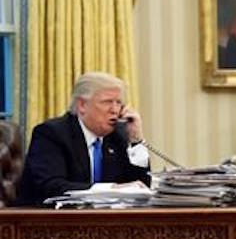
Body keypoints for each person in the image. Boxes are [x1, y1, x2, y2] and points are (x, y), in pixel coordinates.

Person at [15, 72, 151, 205]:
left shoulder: (117, 136)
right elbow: (52, 186)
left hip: (104, 221)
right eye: (107, 102)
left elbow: (141, 186)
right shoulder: (51, 133)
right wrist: (109, 189)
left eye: (119, 103)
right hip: (46, 220)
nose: (115, 110)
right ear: (82, 105)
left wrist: (136, 140)